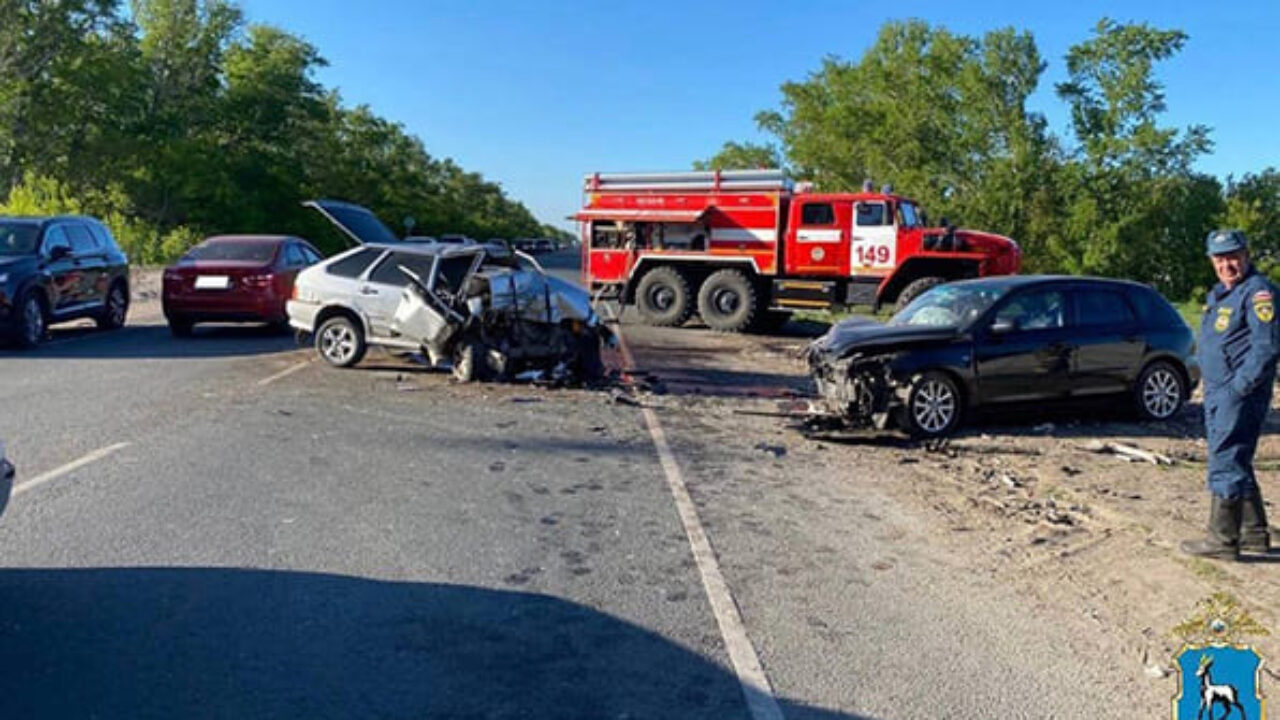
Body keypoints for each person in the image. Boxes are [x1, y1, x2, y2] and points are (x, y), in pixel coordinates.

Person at [1182, 229, 1278, 559]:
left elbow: (1265, 348)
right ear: (1211, 261)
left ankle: (1222, 541)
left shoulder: (1258, 293)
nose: (1227, 264)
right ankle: (1253, 533)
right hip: (1218, 391)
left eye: (1233, 257)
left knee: (1225, 460)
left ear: (1247, 255)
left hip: (1239, 393)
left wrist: (1239, 388)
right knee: (1235, 458)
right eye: (1220, 258)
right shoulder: (1221, 295)